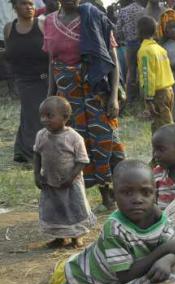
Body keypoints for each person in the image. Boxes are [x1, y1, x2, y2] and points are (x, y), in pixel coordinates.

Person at [4, 159, 175, 284]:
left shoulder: (159, 218)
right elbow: (126, 275)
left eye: (146, 192)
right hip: (75, 280)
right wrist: (164, 251)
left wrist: (167, 260)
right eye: (127, 192)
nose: (137, 199)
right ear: (114, 195)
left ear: (155, 194)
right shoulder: (114, 228)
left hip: (95, 273)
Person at [43, 0, 125, 211]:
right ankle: (93, 195)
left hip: (96, 90)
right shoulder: (49, 22)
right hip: (67, 96)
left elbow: (112, 59)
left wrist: (113, 97)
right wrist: (50, 96)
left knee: (106, 140)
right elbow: (52, 62)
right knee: (76, 144)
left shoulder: (95, 18)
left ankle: (115, 192)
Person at [34, 96, 95, 248]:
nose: (44, 120)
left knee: (74, 208)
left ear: (65, 117)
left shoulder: (74, 138)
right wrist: (36, 174)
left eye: (49, 116)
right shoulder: (41, 135)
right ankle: (59, 237)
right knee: (55, 210)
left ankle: (76, 237)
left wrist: (70, 177)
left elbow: (82, 160)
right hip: (50, 182)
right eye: (42, 116)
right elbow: (37, 154)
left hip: (70, 184)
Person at [4, 0, 49, 164]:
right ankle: (29, 153)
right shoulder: (9, 28)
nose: (29, 7)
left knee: (35, 114)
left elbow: (52, 52)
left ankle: (25, 151)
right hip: (22, 79)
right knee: (30, 114)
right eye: (23, 3)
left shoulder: (42, 24)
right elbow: (9, 52)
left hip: (43, 78)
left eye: (31, 4)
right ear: (15, 6)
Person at [137, 15, 175, 133]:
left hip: (158, 95)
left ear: (138, 32)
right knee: (160, 124)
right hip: (169, 91)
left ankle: (173, 144)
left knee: (165, 130)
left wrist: (148, 99)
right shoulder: (160, 49)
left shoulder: (144, 51)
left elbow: (147, 76)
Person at [115, 0, 146, 104]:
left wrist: (123, 38)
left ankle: (130, 99)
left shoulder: (123, 11)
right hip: (143, 43)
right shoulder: (143, 10)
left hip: (130, 44)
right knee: (143, 70)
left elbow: (118, 29)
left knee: (131, 71)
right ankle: (143, 97)